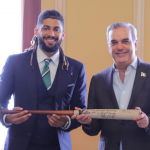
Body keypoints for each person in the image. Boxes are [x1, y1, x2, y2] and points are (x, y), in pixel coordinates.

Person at [0, 9, 87, 150]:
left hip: (58, 146)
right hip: (19, 145)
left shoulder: (76, 68)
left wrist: (66, 122)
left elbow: (81, 111)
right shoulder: (14, 62)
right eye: (46, 28)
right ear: (37, 32)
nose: (51, 34)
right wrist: (7, 118)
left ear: (63, 34)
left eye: (56, 29)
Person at [72, 22, 150, 150]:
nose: (119, 47)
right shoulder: (98, 80)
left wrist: (147, 121)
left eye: (125, 41)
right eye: (114, 42)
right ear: (109, 47)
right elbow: (94, 129)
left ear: (135, 44)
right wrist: (88, 122)